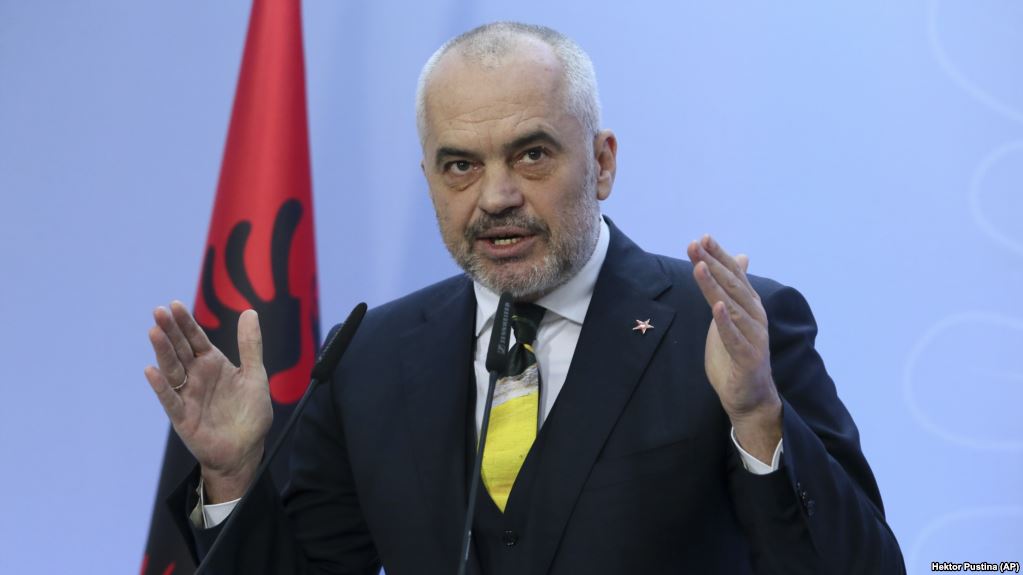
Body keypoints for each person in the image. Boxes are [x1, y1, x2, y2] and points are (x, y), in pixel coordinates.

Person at [145, 22, 905, 574]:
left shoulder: (729, 330)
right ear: (429, 180)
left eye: (531, 154)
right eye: (460, 166)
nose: (496, 196)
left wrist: (758, 418)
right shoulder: (370, 358)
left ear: (601, 164)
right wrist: (233, 476)